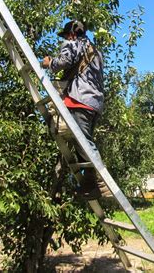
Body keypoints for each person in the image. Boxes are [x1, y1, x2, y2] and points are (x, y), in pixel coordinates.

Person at [41, 20, 107, 199]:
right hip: (94, 102)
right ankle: (91, 185)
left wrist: (49, 63)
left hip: (80, 100)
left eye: (66, 36)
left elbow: (64, 60)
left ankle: (101, 181)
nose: (65, 39)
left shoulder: (73, 43)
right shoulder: (96, 52)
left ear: (71, 34)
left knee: (84, 142)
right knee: (81, 145)